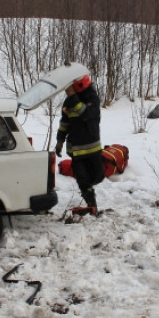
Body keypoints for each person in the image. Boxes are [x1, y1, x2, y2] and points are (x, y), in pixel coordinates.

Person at [55, 74, 104, 215]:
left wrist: (73, 97)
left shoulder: (92, 98)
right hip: (76, 150)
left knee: (98, 176)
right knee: (83, 181)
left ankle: (88, 191)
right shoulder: (68, 101)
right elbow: (64, 123)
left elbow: (86, 114)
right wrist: (60, 141)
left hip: (92, 147)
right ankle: (91, 205)